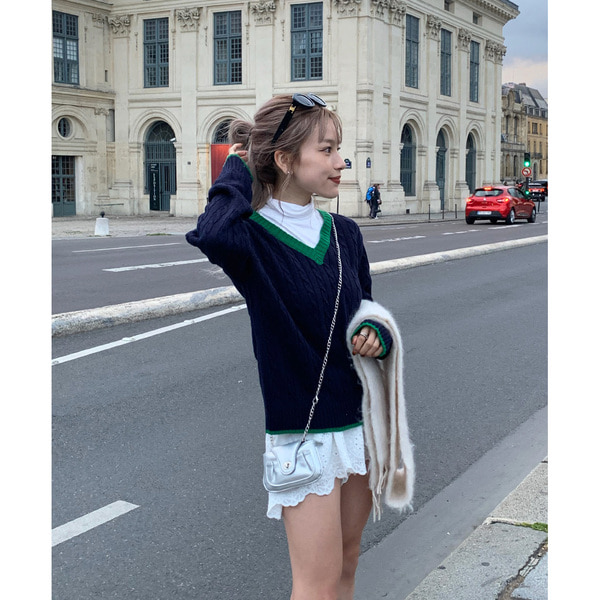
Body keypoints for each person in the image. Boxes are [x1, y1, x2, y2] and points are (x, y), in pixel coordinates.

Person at [186, 94, 409, 600]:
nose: (340, 162)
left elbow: (366, 308)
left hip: (357, 423)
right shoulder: (251, 237)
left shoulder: (345, 233)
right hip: (304, 435)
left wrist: (378, 335)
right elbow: (212, 234)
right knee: (315, 584)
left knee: (347, 563)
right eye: (326, 150)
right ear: (285, 160)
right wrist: (240, 163)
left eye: (339, 149)